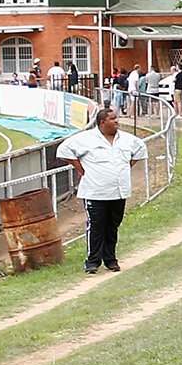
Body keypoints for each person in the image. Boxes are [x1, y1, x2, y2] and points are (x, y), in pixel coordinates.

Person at [57, 106, 150, 273]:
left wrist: (124, 167)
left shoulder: (127, 139)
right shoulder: (85, 139)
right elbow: (63, 150)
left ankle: (110, 259)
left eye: (116, 119)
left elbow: (140, 150)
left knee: (113, 225)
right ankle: (92, 261)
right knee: (96, 226)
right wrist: (79, 167)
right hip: (95, 192)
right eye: (113, 119)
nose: (117, 122)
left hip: (119, 191)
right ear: (102, 122)